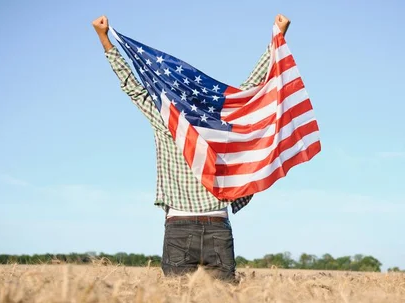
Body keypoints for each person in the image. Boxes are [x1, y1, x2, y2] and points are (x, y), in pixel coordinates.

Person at [92, 14, 290, 281]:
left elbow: (134, 88)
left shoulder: (164, 120)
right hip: (218, 225)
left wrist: (104, 39)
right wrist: (278, 35)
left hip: (178, 227)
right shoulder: (221, 121)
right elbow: (250, 87)